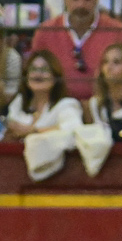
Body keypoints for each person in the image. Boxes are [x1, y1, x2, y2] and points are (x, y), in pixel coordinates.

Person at [31, 0, 122, 101]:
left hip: (104, 105)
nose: (81, 5)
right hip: (57, 106)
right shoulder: (45, 32)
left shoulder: (117, 31)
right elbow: (33, 76)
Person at [5, 49, 83, 180]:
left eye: (45, 70)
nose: (38, 74)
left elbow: (74, 129)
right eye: (33, 69)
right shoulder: (19, 103)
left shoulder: (66, 104)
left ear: (55, 77)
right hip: (15, 173)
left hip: (59, 176)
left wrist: (33, 131)